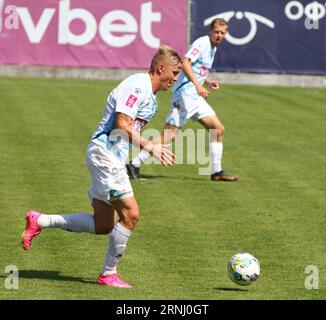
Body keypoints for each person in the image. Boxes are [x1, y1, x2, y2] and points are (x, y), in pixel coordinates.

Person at [21, 46, 182, 288]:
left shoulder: (152, 98)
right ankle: (108, 274)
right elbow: (122, 124)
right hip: (104, 154)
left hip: (110, 157)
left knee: (103, 225)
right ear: (161, 68)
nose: (176, 78)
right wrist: (150, 147)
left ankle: (40, 220)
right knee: (131, 215)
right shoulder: (137, 85)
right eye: (175, 72)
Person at [127, 18, 238, 182]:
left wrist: (206, 82)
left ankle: (216, 172)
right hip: (185, 95)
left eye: (223, 33)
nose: (219, 35)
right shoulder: (202, 43)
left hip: (195, 97)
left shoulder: (213, 48)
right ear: (210, 31)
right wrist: (197, 85)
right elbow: (185, 62)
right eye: (216, 32)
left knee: (218, 129)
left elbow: (197, 69)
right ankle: (134, 164)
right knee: (169, 135)